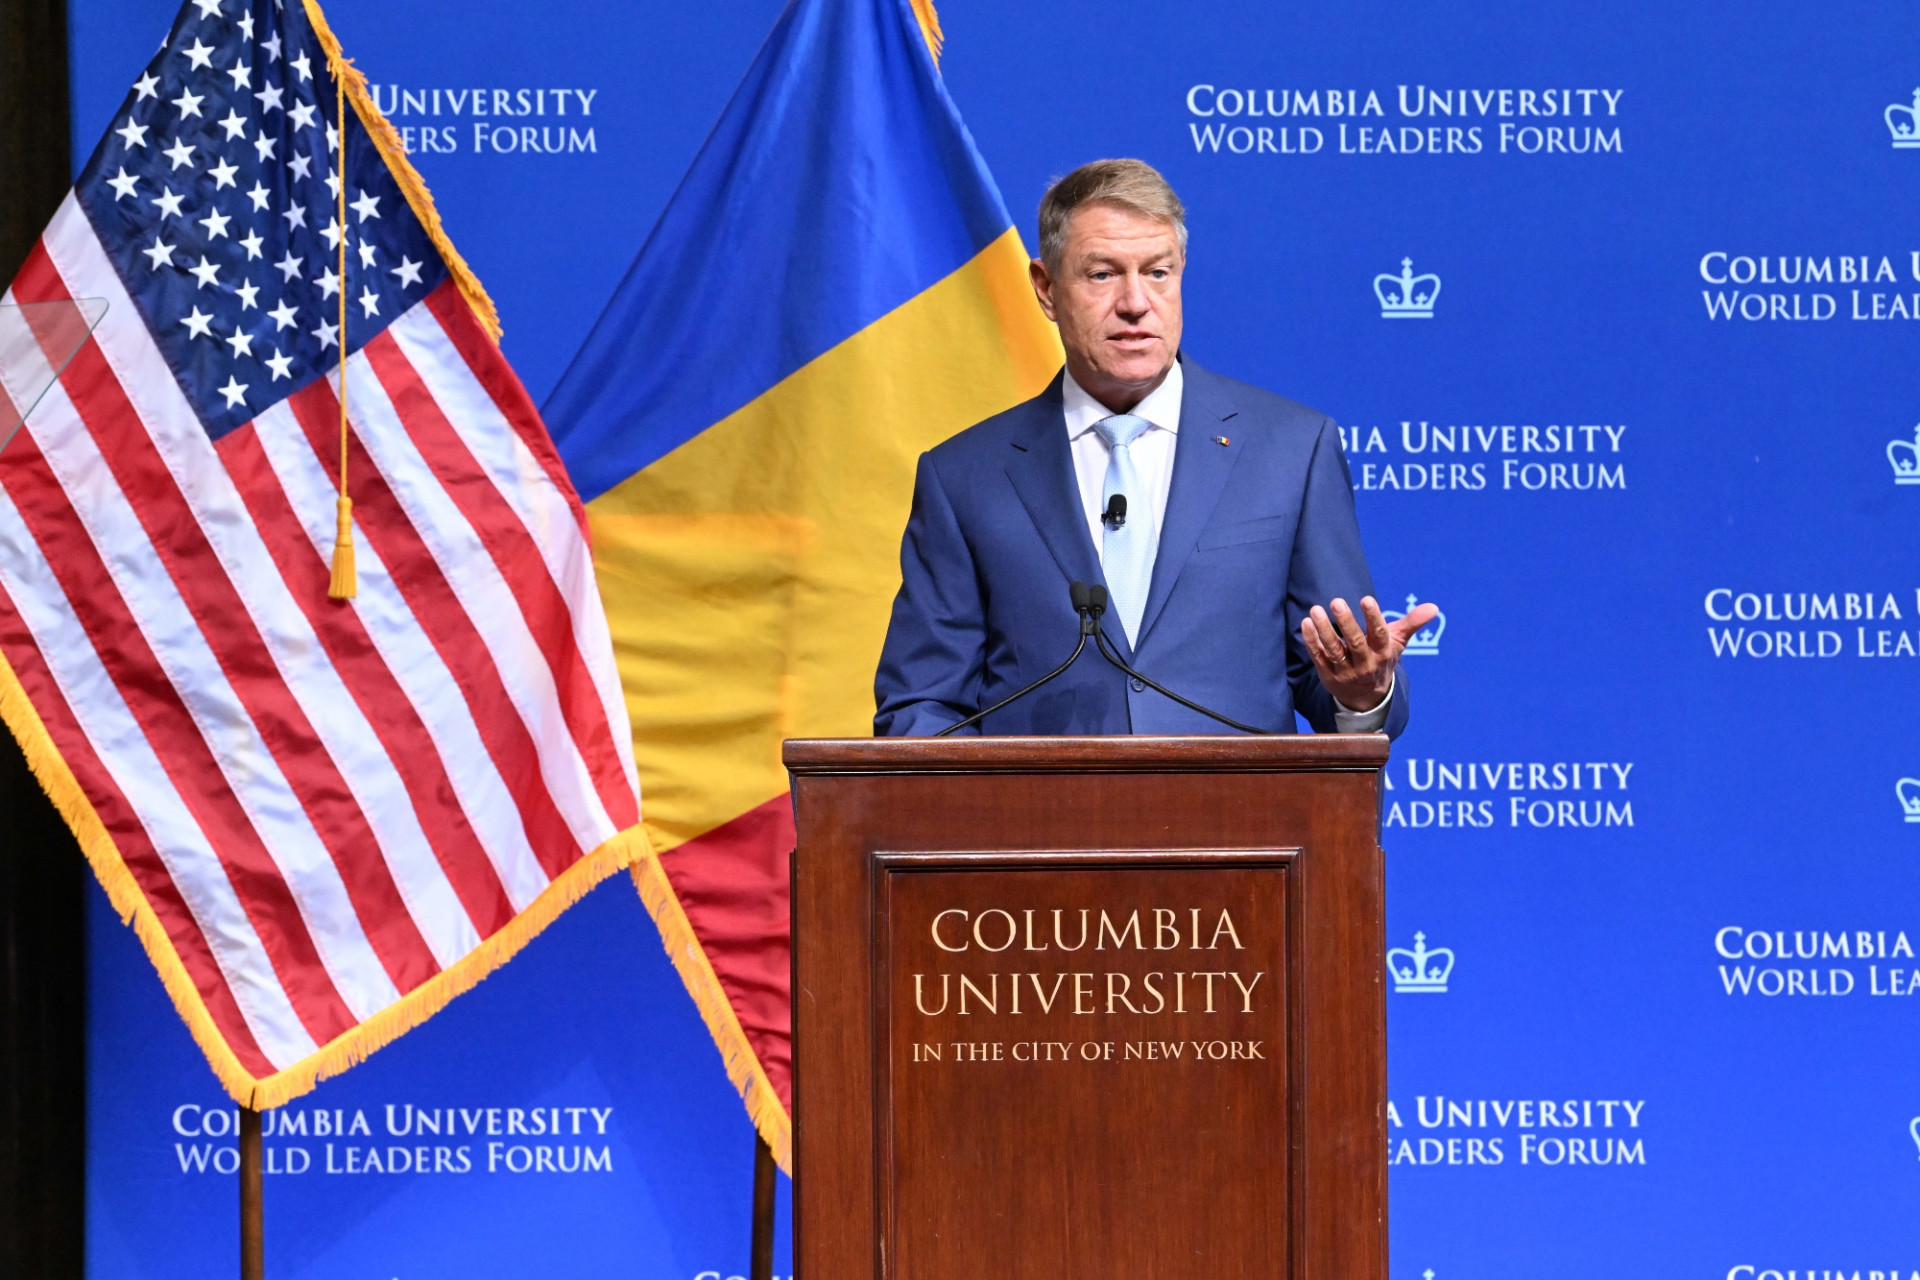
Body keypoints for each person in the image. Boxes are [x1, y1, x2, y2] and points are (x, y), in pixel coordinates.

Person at [873, 158, 1438, 738]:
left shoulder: (1291, 451)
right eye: (1102, 275)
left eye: (1158, 272)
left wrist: (1363, 693)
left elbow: (1341, 680)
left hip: (1243, 822)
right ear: (1046, 289)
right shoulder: (965, 476)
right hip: (1040, 825)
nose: (1136, 303)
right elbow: (922, 707)